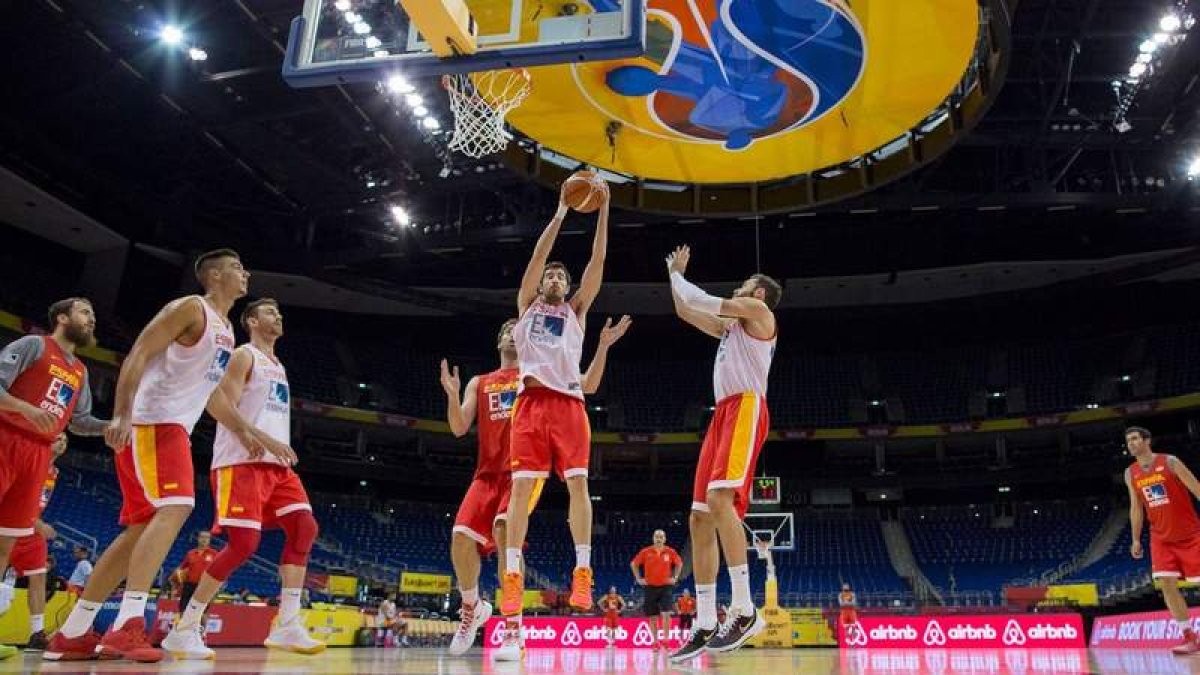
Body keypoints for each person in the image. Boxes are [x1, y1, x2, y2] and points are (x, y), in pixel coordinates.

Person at [45, 249, 296, 663]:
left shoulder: (225, 331)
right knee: (177, 506)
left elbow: (212, 395)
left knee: (137, 531)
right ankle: (127, 626)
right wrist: (124, 413)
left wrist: (250, 431)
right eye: (236, 267)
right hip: (153, 423)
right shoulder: (189, 308)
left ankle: (73, 632)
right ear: (213, 276)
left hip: (171, 428)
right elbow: (139, 354)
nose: (245, 272)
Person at [442, 314, 630, 656]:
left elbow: (586, 383)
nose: (511, 333)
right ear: (499, 341)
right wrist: (453, 395)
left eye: (518, 329)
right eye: (505, 330)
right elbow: (457, 427)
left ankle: (514, 632)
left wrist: (601, 346)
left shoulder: (540, 372)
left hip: (522, 474)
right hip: (486, 475)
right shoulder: (479, 382)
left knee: (503, 532)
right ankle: (472, 607)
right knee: (459, 539)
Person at [163, 298, 323, 658]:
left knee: (304, 527)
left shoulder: (277, 364)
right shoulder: (243, 355)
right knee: (244, 545)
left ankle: (287, 623)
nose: (278, 316)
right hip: (241, 462)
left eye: (280, 312)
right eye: (269, 312)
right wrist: (258, 437)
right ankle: (185, 627)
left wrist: (272, 444)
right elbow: (217, 404)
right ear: (251, 321)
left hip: (277, 466)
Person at [496, 178, 611, 660]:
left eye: (563, 278)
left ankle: (582, 571)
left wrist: (604, 211)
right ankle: (514, 572)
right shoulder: (527, 305)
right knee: (521, 492)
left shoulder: (577, 311)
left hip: (569, 406)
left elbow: (597, 264)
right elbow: (537, 259)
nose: (558, 280)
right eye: (553, 276)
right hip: (531, 405)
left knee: (579, 487)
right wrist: (562, 212)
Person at [665, 245, 781, 660]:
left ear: (759, 295)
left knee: (720, 500)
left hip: (747, 406)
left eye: (746, 286)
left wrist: (680, 274)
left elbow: (701, 298)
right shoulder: (731, 329)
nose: (740, 289)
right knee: (698, 517)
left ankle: (746, 609)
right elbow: (685, 311)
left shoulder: (759, 314)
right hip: (722, 414)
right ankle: (705, 621)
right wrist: (672, 276)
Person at [0, 297, 108, 661]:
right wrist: (26, 409)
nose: (91, 319)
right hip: (5, 437)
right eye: (85, 312)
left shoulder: (80, 371)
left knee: (5, 543)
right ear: (62, 317)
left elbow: (80, 421)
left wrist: (117, 427)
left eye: (92, 315)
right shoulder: (33, 345)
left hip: (39, 454)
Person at [1125, 426, 1200, 654]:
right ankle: (1189, 638)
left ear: (1147, 440)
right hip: (1160, 538)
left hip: (1190, 534)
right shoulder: (1131, 473)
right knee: (1166, 585)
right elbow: (1136, 507)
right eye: (1128, 441)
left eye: (1135, 438)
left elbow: (1197, 489)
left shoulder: (1170, 462)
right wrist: (1135, 539)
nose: (1131, 443)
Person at [1, 433, 68, 651]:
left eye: (65, 441)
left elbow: (37, 502)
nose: (62, 442)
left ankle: (36, 633)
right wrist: (39, 524)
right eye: (59, 438)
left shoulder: (54, 472)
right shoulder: (30, 462)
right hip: (13, 522)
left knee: (38, 578)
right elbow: (20, 498)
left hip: (32, 529)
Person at [631, 529, 683, 651]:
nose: (658, 538)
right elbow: (634, 564)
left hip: (666, 587)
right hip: (650, 587)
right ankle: (655, 642)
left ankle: (665, 641)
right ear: (653, 538)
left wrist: (675, 577)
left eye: (661, 537)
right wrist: (639, 578)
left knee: (666, 614)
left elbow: (679, 563)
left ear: (665, 539)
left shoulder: (670, 552)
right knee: (653, 616)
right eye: (656, 536)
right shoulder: (646, 552)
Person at [173, 531, 217, 614]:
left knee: (202, 612)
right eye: (202, 537)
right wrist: (177, 584)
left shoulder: (214, 554)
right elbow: (182, 569)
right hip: (189, 585)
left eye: (207, 538)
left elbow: (218, 570)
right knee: (183, 609)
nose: (204, 539)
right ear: (198, 539)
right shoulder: (190, 553)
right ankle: (181, 626)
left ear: (209, 540)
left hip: (204, 586)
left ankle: (202, 627)